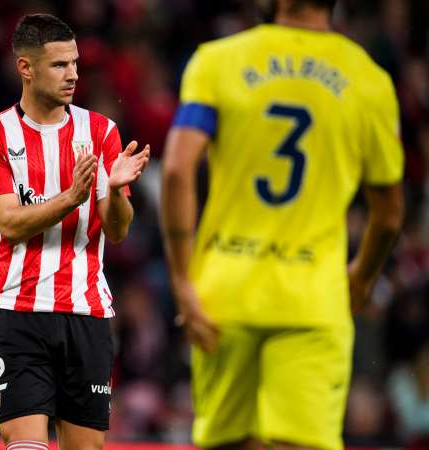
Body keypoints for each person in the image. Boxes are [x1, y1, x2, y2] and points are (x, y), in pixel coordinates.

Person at [159, 0, 405, 449]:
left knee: (226, 442)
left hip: (224, 292)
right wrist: (362, 276)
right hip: (312, 297)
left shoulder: (217, 61)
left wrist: (181, 279)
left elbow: (176, 170)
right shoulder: (369, 80)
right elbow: (388, 213)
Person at [0, 13, 150, 450]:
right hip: (17, 312)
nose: (72, 74)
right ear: (25, 68)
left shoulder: (101, 131)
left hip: (85, 314)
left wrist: (120, 192)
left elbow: (118, 232)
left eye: (74, 63)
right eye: (59, 65)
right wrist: (72, 197)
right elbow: (9, 223)